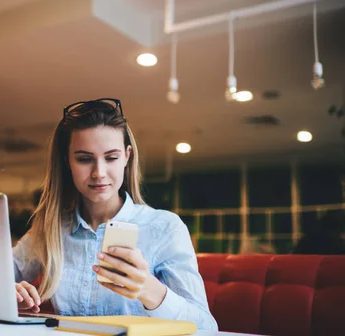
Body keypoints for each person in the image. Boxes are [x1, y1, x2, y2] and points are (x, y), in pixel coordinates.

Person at [12, 98, 217, 331]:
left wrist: (149, 290)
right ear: (67, 161)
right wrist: (5, 289)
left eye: (111, 157)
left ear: (127, 157)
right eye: (84, 159)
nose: (99, 173)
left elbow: (207, 328)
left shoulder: (164, 227)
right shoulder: (49, 228)